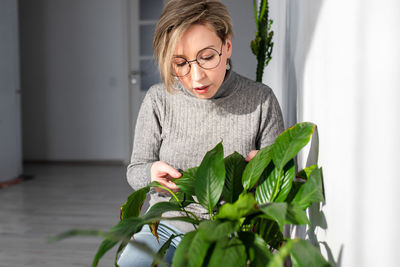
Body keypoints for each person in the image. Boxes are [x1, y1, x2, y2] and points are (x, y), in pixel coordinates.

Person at [117, 0, 284, 266]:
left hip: (234, 232)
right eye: (180, 63)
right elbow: (135, 169)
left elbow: (281, 182)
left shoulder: (261, 100)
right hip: (168, 227)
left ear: (227, 46)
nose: (196, 77)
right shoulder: (158, 100)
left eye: (207, 57)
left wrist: (267, 172)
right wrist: (151, 173)